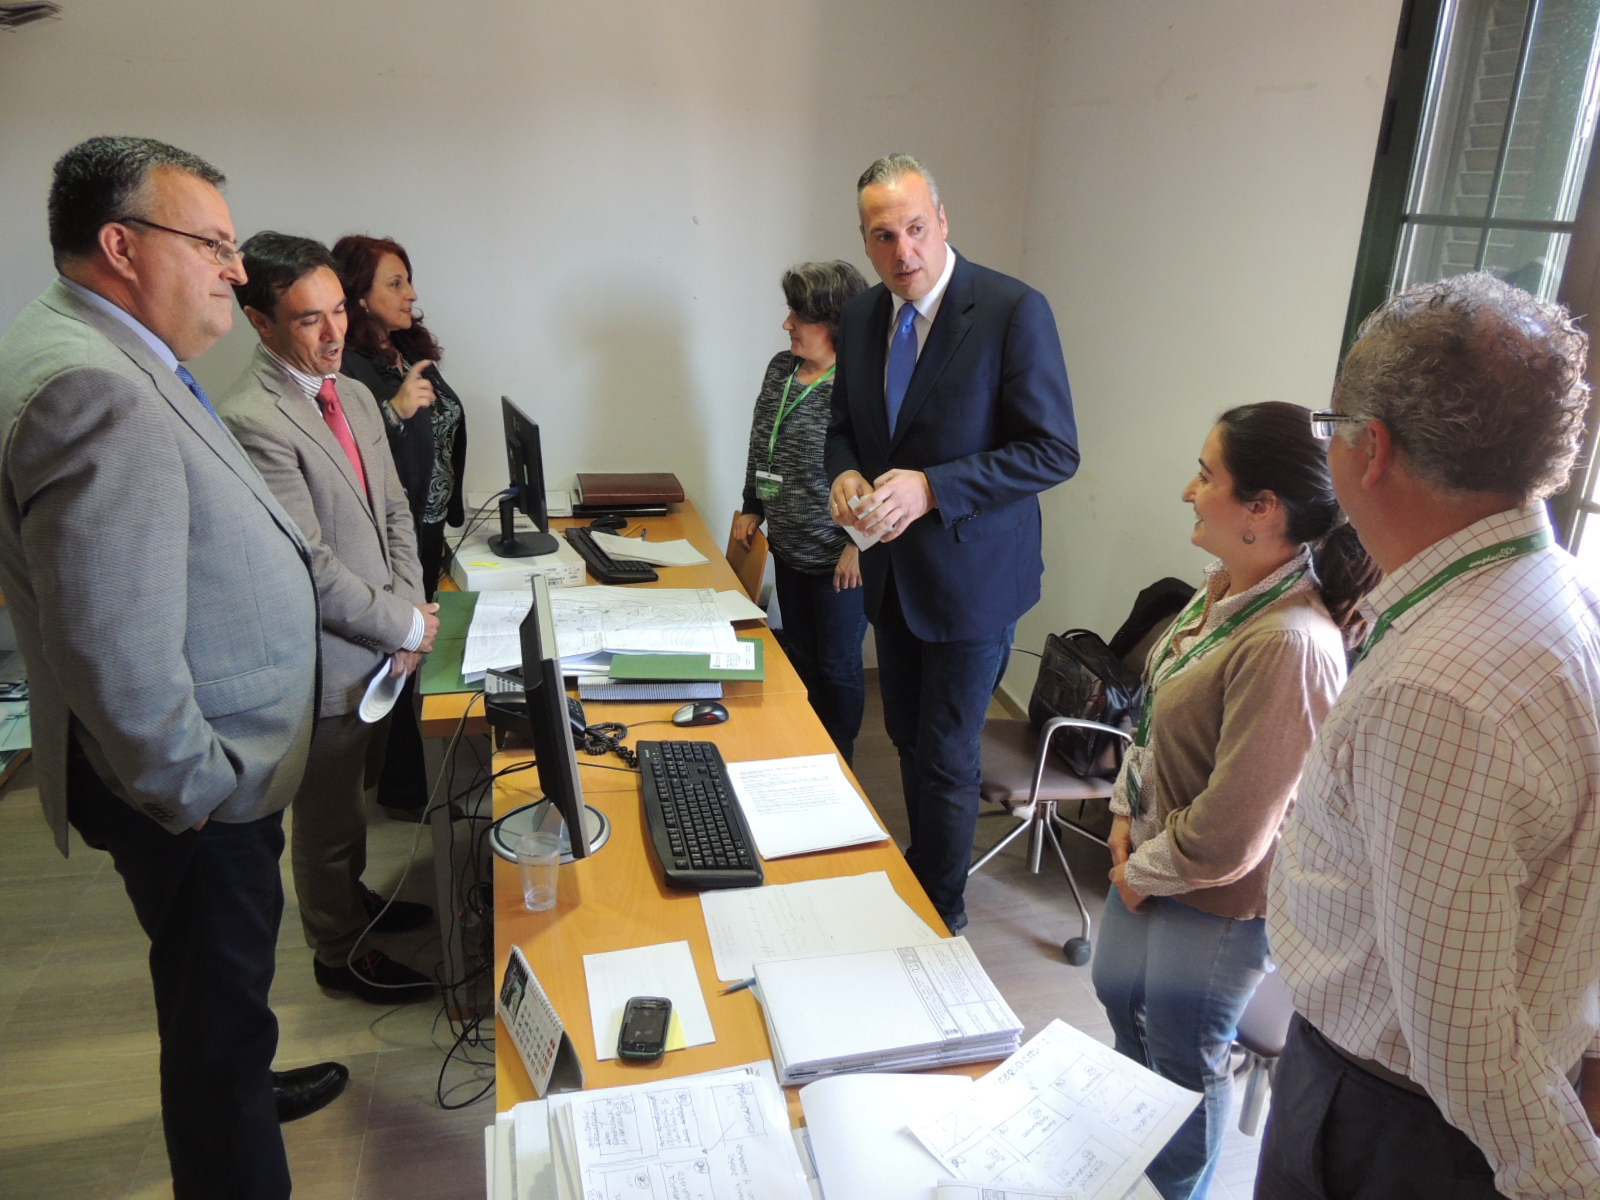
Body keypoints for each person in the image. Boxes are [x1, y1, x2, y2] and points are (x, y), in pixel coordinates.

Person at [0, 136, 345, 1200]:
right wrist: (195, 790)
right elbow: (107, 646)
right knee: (212, 1017)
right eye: (213, 246)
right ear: (121, 246)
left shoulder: (110, 348)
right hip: (195, 791)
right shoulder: (92, 387)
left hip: (208, 772)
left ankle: (242, 1079)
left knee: (219, 999)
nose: (235, 272)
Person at [1260, 272, 1600, 1200]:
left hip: (1395, 1127)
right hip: (1494, 1096)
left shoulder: (1439, 689)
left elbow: (1460, 1030)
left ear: (1370, 448)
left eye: (1331, 427)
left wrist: (1570, 1181)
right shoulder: (1567, 594)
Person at [1089, 403, 1379, 1200]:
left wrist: (1139, 870)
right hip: (1147, 858)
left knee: (1182, 1054)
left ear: (1263, 509)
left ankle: (1172, 1190)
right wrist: (1122, 816)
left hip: (1215, 895)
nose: (1188, 490)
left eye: (1205, 474)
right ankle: (1127, 1166)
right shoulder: (1219, 590)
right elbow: (1151, 719)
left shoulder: (1290, 642)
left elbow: (1235, 829)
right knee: (1120, 999)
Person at [825, 153, 1079, 932]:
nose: (903, 251)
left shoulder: (1012, 310)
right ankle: (927, 870)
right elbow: (843, 429)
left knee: (944, 750)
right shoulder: (862, 317)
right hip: (892, 572)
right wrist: (844, 475)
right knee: (904, 733)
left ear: (942, 222)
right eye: (883, 236)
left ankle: (941, 915)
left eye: (915, 228)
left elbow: (1053, 451)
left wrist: (934, 487)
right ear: (865, 242)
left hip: (974, 581)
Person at [219, 232, 441, 1006]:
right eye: (309, 318)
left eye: (339, 310)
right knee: (328, 819)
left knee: (357, 799)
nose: (334, 332)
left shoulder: (353, 393)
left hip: (382, 643)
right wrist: (401, 626)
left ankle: (354, 904)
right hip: (327, 660)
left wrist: (407, 615)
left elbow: (394, 511)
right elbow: (308, 564)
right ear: (260, 321)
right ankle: (337, 951)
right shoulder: (253, 418)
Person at [332, 236, 466, 818]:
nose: (410, 293)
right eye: (395, 283)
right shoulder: (348, 366)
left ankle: (406, 781)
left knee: (421, 647)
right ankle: (408, 791)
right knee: (407, 649)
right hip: (393, 536)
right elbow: (347, 458)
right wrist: (396, 412)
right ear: (358, 296)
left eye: (408, 280)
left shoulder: (404, 350)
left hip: (426, 527)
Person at [734, 260, 869, 762]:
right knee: (802, 658)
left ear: (834, 321)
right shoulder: (781, 368)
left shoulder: (860, 384)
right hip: (789, 547)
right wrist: (752, 505)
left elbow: (881, 471)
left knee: (837, 667)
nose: (787, 323)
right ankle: (806, 753)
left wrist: (861, 545)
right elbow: (760, 441)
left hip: (839, 558)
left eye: (799, 315)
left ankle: (839, 761)